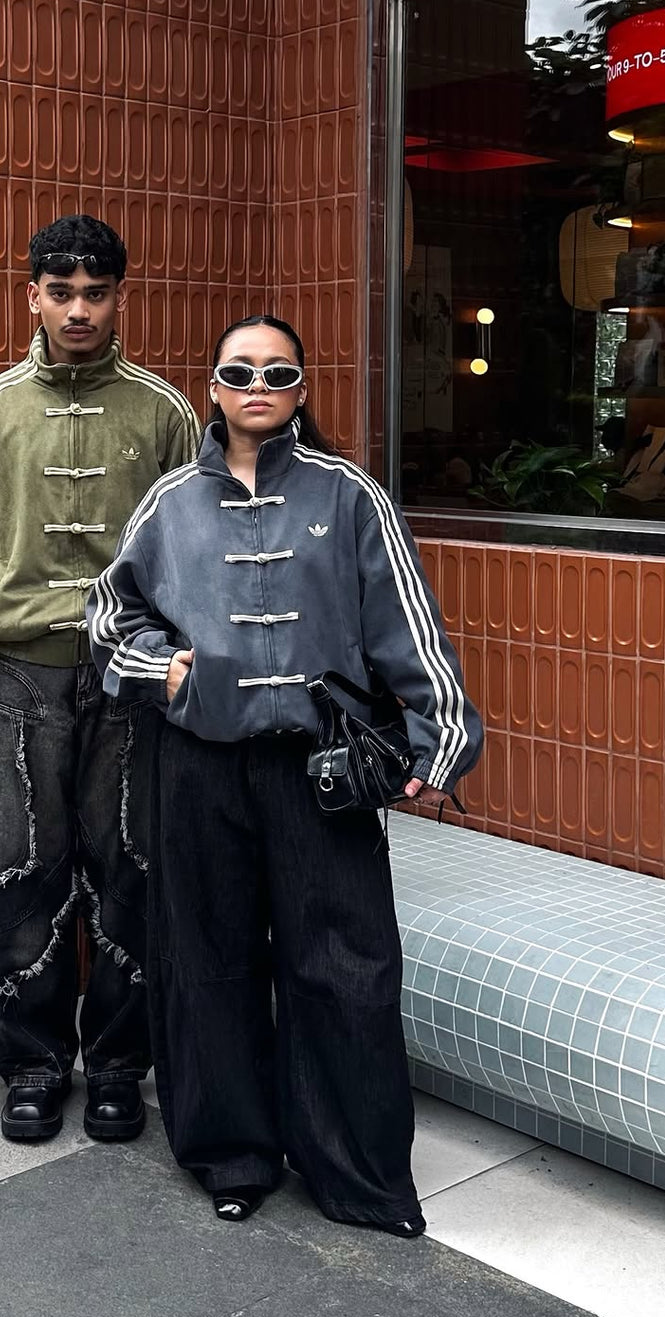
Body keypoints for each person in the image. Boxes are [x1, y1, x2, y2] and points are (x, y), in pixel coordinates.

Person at [87, 315, 482, 1232]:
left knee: (345, 966)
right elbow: (109, 616)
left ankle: (360, 1178)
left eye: (277, 371)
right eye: (238, 370)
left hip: (323, 765)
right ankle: (232, 1155)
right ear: (213, 389)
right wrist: (165, 667)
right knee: (205, 961)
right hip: (197, 765)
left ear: (302, 389)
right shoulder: (168, 504)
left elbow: (409, 626)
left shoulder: (352, 497)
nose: (256, 384)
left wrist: (442, 738)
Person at [0, 215, 199, 1144]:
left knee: (135, 868)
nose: (79, 310)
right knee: (8, 870)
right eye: (62, 291)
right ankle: (34, 1065)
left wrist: (179, 666)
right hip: (17, 681)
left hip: (133, 684)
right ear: (31, 293)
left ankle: (120, 1066)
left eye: (97, 292)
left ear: (123, 296)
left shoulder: (164, 412)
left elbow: (193, 550)